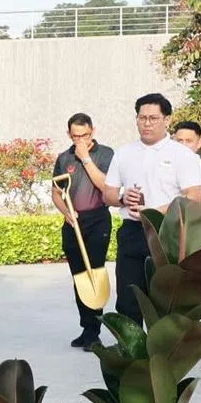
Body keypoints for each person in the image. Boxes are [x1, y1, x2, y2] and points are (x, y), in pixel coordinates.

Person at [104, 93, 201, 327]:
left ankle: (163, 358)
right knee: (129, 299)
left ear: (167, 120)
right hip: (132, 232)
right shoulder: (124, 153)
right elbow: (107, 194)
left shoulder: (181, 154)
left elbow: (194, 197)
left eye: (153, 118)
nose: (147, 123)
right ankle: (133, 357)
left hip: (166, 233)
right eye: (142, 118)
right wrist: (121, 198)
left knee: (163, 301)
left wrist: (154, 211)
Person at [51, 113, 114, 350]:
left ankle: (94, 331)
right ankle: (85, 327)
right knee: (79, 277)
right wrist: (65, 212)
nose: (80, 140)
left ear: (93, 131)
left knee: (94, 273)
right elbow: (56, 192)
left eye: (85, 135)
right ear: (69, 134)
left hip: (97, 221)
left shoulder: (105, 154)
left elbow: (106, 186)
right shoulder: (63, 158)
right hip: (73, 223)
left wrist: (86, 158)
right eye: (76, 136)